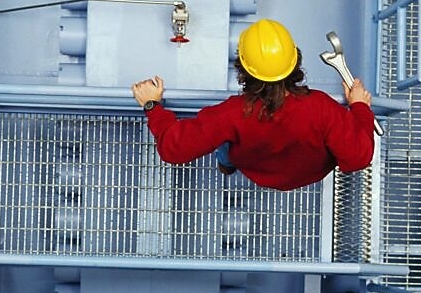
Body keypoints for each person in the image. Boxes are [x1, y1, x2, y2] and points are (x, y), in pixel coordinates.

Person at [130, 19, 375, 191]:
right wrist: (359, 108)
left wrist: (153, 106)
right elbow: (358, 159)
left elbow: (174, 149)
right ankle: (227, 163)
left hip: (256, 168)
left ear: (243, 68)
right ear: (294, 61)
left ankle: (226, 166)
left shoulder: (232, 113)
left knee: (224, 142)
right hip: (309, 173)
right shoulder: (322, 108)